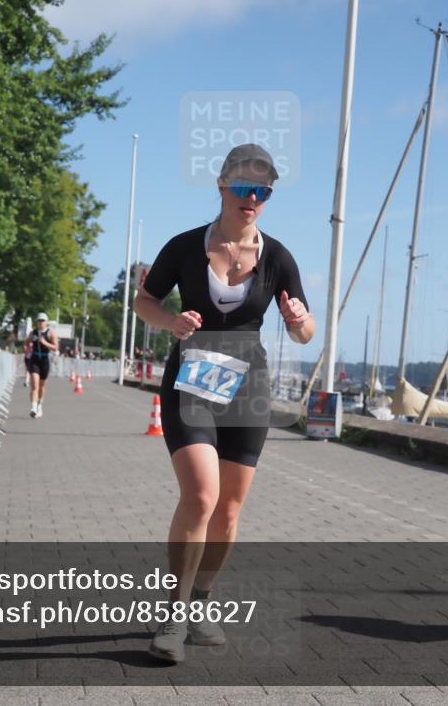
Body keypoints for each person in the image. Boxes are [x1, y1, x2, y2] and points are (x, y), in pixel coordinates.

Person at [133, 143, 314, 662]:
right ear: (221, 185)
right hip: (192, 379)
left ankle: (200, 603)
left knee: (230, 511)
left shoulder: (277, 257)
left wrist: (300, 320)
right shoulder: (186, 246)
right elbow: (144, 299)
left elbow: (305, 332)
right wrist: (170, 322)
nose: (252, 197)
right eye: (242, 187)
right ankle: (172, 614)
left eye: (263, 190)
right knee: (202, 497)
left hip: (248, 385)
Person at [24, 313, 57, 418]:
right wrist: (27, 347)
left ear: (46, 322)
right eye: (39, 320)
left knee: (42, 386)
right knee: (34, 385)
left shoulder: (50, 333)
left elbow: (55, 347)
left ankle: (39, 405)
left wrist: (44, 343)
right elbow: (26, 342)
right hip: (34, 359)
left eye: (43, 320)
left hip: (44, 360)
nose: (41, 322)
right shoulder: (33, 332)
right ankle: (33, 408)